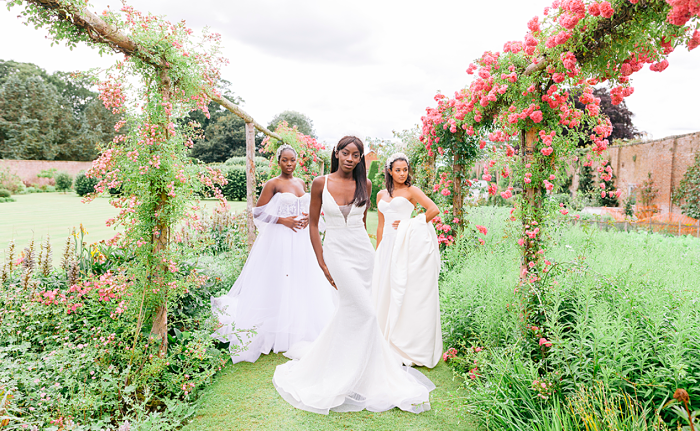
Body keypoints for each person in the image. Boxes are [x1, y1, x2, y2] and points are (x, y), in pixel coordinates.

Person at [273, 136, 434, 415]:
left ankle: (360, 373)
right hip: (336, 252)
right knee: (367, 313)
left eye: (356, 155)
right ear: (337, 153)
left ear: (360, 159)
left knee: (351, 313)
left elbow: (362, 222)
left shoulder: (366, 185)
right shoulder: (320, 183)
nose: (350, 158)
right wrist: (322, 261)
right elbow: (313, 225)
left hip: (363, 254)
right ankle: (343, 374)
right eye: (346, 153)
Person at [211, 144, 337, 364]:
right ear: (278, 161)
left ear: (297, 162)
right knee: (278, 280)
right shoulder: (273, 184)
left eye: (292, 160)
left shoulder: (300, 182)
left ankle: (297, 326)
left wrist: (306, 217)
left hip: (300, 240)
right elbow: (257, 213)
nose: (289, 164)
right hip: (280, 239)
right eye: (285, 160)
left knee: (301, 280)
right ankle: (273, 330)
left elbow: (303, 206)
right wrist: (283, 220)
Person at [372, 152, 443, 368]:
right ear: (389, 171)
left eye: (405, 170)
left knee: (402, 288)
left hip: (404, 245)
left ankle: (403, 340)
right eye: (398, 170)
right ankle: (381, 336)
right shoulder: (381, 194)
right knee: (383, 288)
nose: (402, 174)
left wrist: (409, 224)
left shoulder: (412, 191)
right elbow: (381, 225)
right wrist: (378, 249)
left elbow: (433, 210)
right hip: (387, 247)